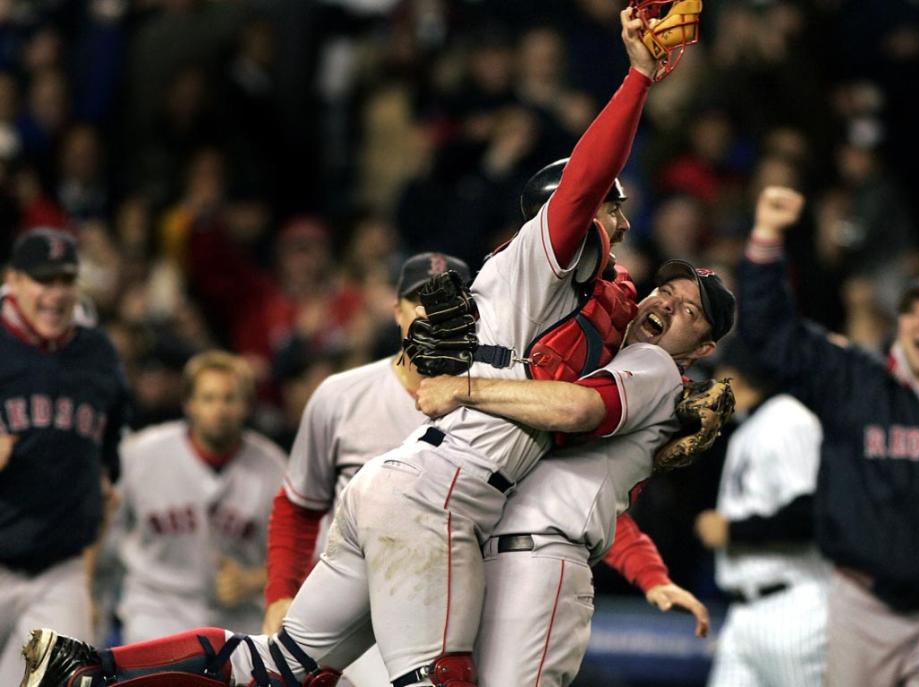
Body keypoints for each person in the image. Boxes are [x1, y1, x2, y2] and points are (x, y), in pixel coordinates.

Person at [19, 11, 686, 686]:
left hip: (402, 483)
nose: (624, 219)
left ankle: (89, 668)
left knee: (279, 665)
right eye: (614, 207)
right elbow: (584, 182)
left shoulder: (569, 304)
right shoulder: (540, 259)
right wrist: (636, 78)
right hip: (440, 496)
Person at [739, 186, 919, 687]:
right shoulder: (857, 382)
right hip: (860, 606)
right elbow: (772, 337)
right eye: (910, 311)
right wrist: (765, 239)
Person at [415, 258, 735, 687]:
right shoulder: (606, 365)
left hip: (537, 562)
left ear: (701, 350)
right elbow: (595, 499)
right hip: (506, 555)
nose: (668, 305)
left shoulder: (655, 365)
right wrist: (652, 576)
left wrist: (463, 388)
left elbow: (578, 409)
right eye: (665, 292)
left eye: (690, 311)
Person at [262, 251, 473, 687]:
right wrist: (281, 592)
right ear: (397, 312)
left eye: (447, 301)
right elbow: (299, 504)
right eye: (420, 301)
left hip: (455, 605)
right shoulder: (341, 395)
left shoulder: (494, 400)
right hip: (356, 604)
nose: (432, 312)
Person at [0, 228, 130, 685]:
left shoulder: (97, 354)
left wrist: (87, 576)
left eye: (66, 281)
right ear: (13, 280)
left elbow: (107, 465)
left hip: (61, 568)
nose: (56, 294)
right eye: (43, 280)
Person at [110, 350, 286, 640]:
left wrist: (254, 580)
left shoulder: (275, 468)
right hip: (155, 608)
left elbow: (309, 557)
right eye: (208, 398)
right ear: (189, 404)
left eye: (230, 398)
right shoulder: (141, 454)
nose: (220, 410)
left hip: (237, 617)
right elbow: (104, 527)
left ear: (247, 405)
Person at [693, 340, 830, 687]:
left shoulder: (787, 419)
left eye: (718, 378)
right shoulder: (750, 428)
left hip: (792, 609)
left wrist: (733, 531)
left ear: (735, 378)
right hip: (745, 613)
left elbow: (811, 515)